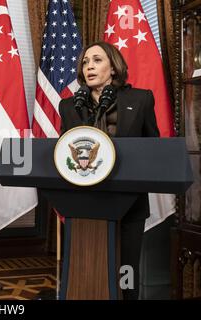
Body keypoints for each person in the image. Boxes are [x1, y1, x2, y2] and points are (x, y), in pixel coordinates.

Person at [59, 41, 160, 300]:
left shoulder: (140, 99)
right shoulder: (70, 106)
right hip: (85, 202)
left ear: (113, 67)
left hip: (129, 201)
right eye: (85, 62)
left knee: (126, 269)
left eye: (97, 60)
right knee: (88, 269)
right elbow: (63, 151)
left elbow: (153, 148)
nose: (89, 66)